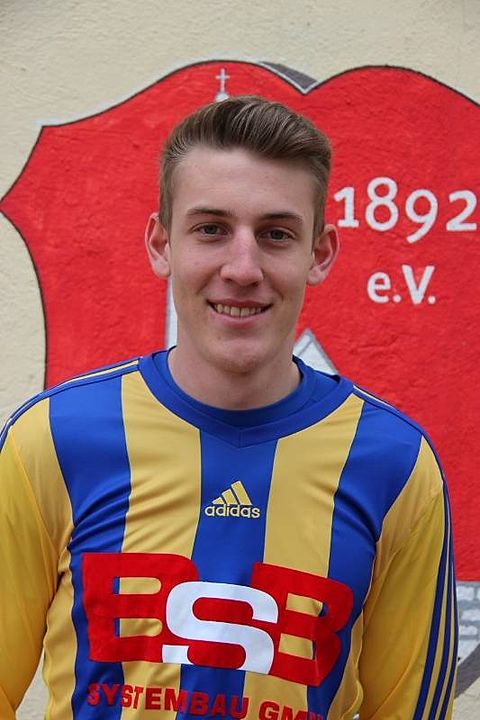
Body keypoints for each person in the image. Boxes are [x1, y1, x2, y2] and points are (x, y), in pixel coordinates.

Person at [0, 96, 457, 719]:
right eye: (211, 229)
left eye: (276, 234)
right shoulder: (51, 439)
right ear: (162, 244)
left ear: (319, 253)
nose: (243, 269)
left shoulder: (396, 465)